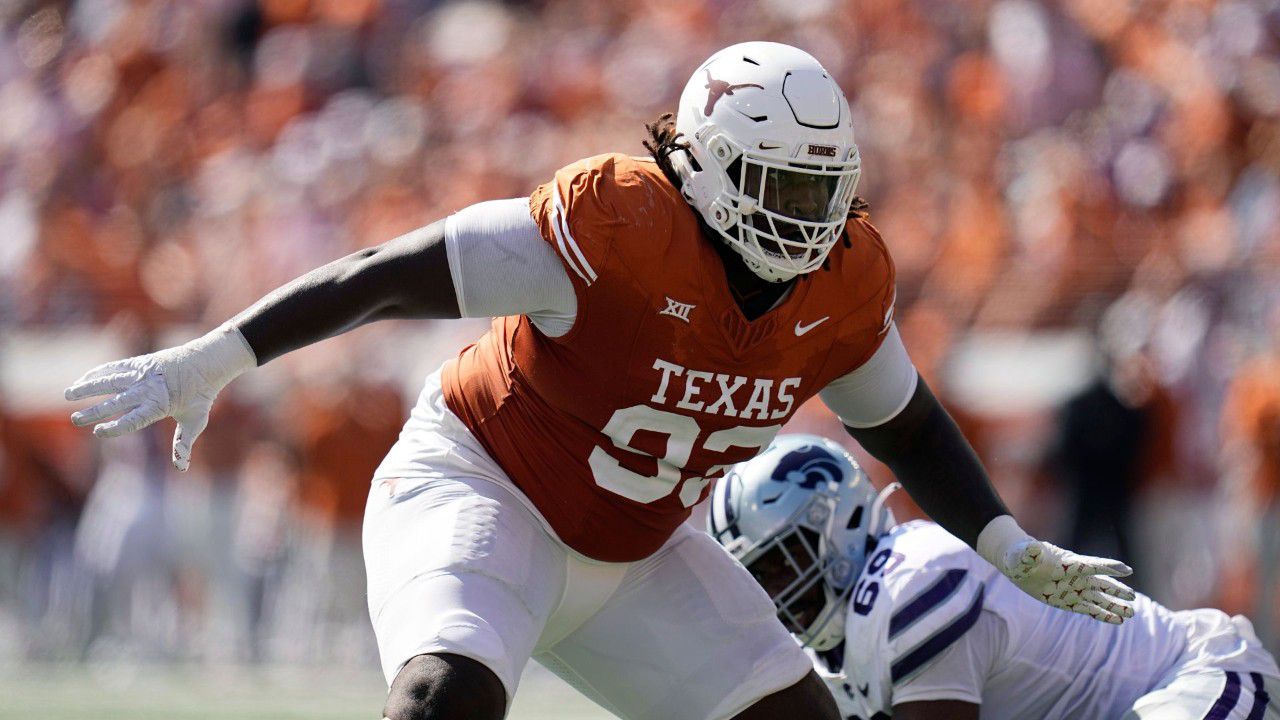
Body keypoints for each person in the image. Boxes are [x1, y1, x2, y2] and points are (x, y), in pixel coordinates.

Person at [64, 43, 1133, 720]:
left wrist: (1008, 547)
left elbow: (905, 426)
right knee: (443, 699)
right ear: (705, 163)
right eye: (780, 182)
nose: (807, 213)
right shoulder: (612, 223)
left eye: (824, 186)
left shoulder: (842, 282)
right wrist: (218, 356)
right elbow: (377, 278)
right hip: (484, 489)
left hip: (640, 551)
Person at [710, 434, 1280, 720]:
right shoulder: (836, 655)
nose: (775, 592)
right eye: (757, 576)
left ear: (841, 523)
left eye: (781, 561)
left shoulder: (911, 582)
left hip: (1194, 680)